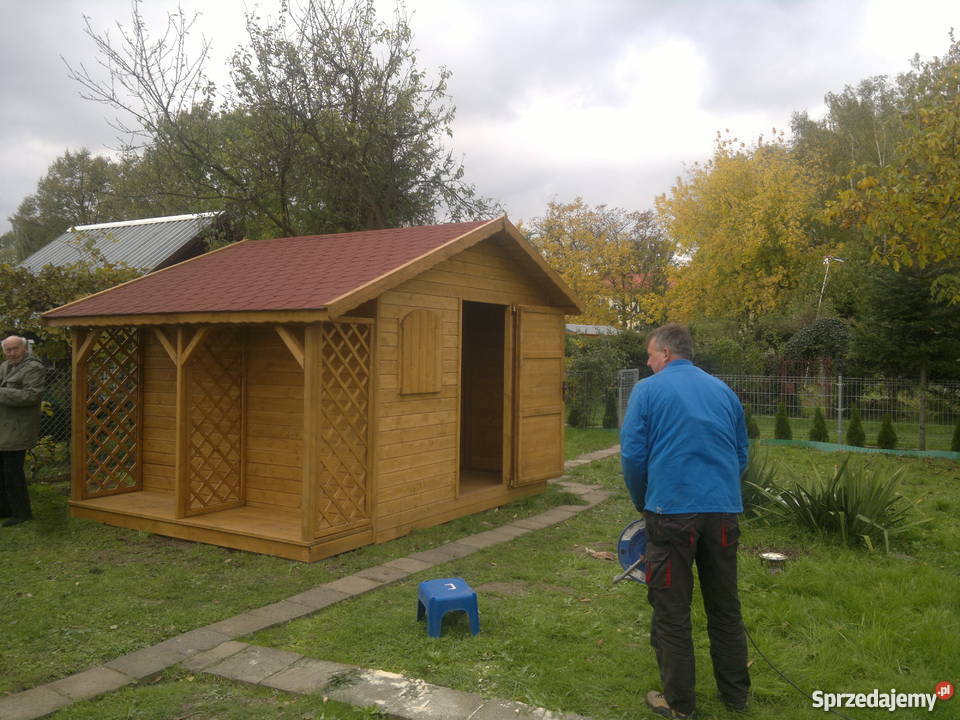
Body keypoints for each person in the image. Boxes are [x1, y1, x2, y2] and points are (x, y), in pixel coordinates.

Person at [620, 323, 750, 718]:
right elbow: (741, 454)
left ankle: (680, 705)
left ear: (666, 353)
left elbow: (633, 455)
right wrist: (721, 492)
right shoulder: (724, 391)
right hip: (723, 514)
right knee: (724, 605)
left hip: (671, 514)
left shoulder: (647, 390)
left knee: (672, 611)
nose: (647, 361)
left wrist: (644, 501)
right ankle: (737, 697)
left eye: (649, 355)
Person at [0, 335, 46, 526]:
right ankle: (5, 509)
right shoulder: (5, 366)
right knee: (2, 472)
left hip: (18, 428)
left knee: (13, 472)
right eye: (8, 350)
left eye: (15, 349)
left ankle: (22, 513)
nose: (12, 353)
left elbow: (31, 396)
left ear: (24, 348)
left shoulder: (34, 368)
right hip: (4, 426)